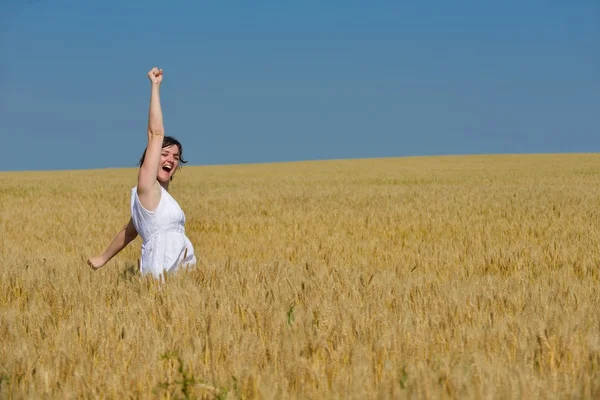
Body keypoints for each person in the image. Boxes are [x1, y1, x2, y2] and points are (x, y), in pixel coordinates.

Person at [86, 67, 197, 278]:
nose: (171, 160)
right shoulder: (147, 188)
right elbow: (156, 133)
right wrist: (155, 87)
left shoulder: (156, 200)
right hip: (161, 272)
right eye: (164, 154)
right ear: (152, 158)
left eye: (175, 157)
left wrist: (103, 258)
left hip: (180, 276)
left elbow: (129, 232)